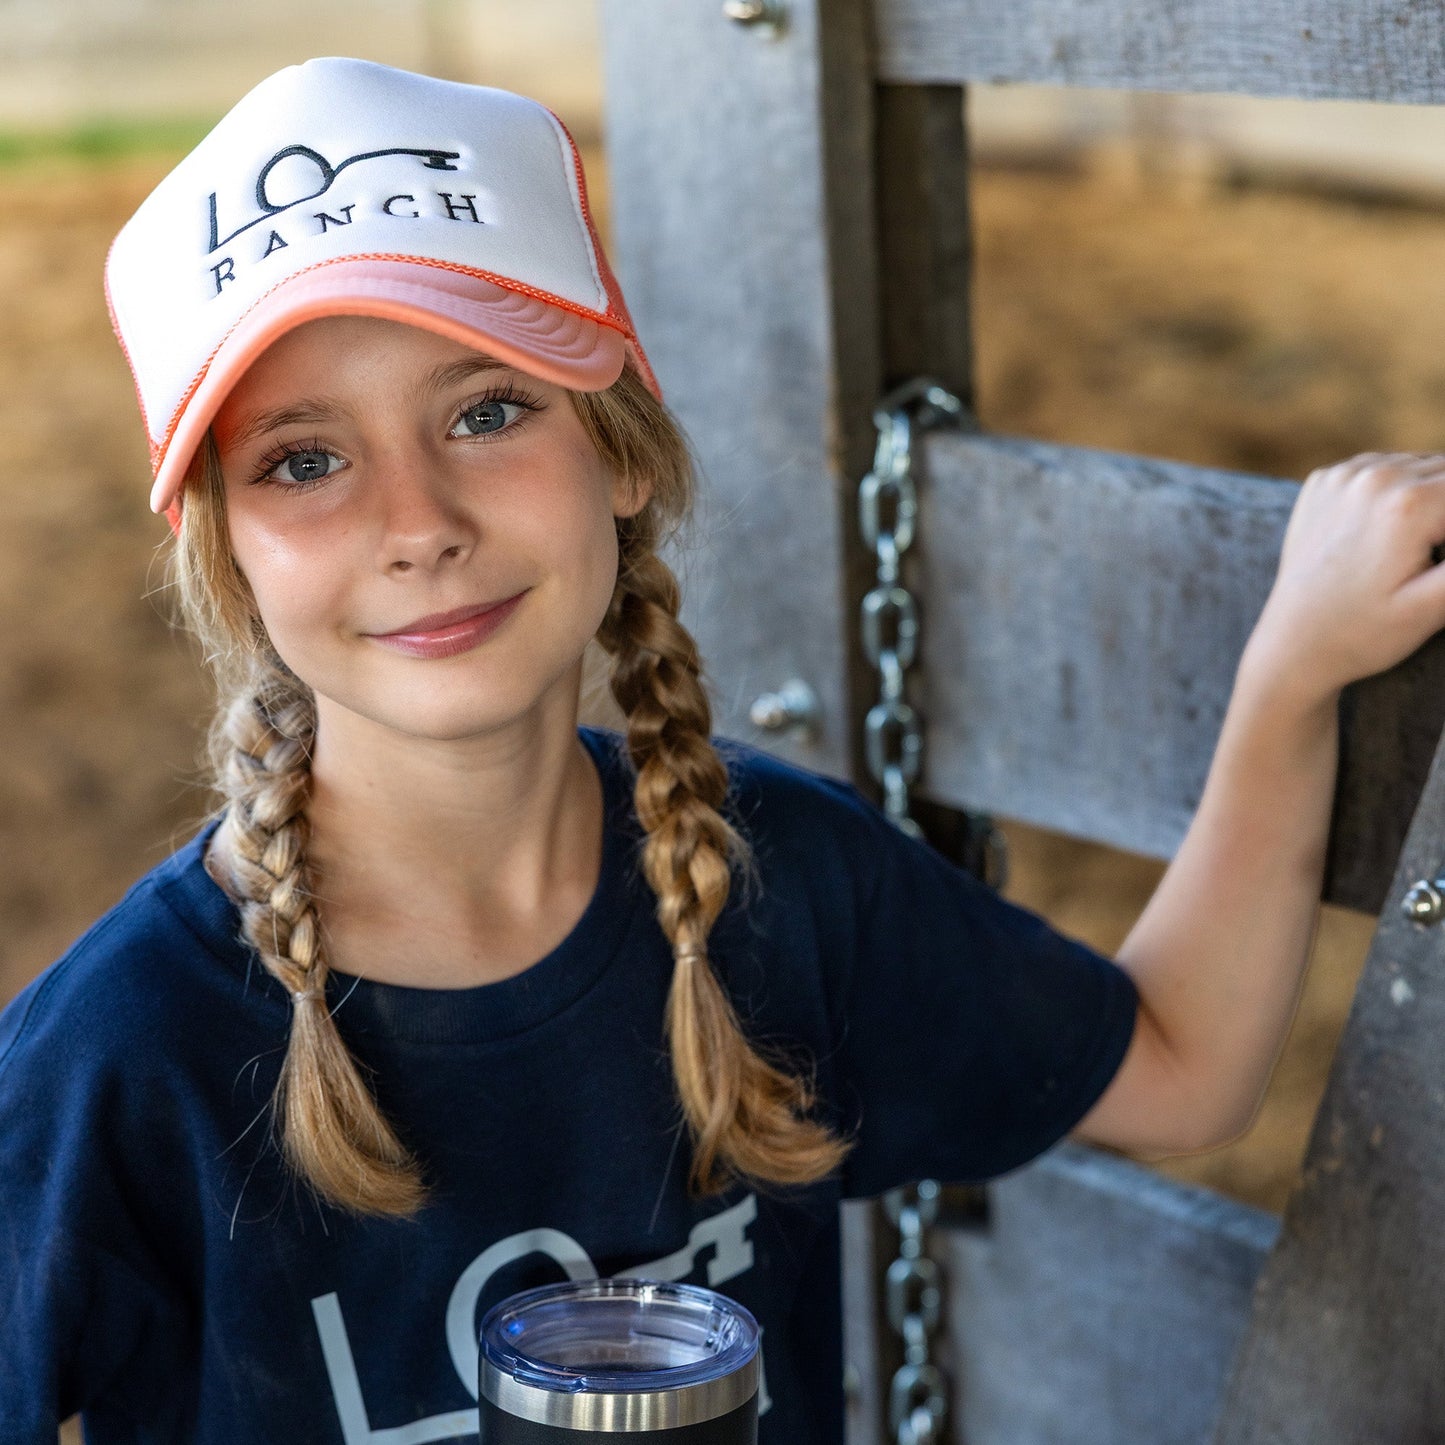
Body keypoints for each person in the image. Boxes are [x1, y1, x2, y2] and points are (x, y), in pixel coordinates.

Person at [3, 54, 1445, 1445]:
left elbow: (1180, 1067)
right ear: (229, 558)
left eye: (487, 409)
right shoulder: (124, 1052)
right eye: (302, 460)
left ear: (620, 448)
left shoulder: (776, 887)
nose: (417, 519)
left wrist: (1290, 669)